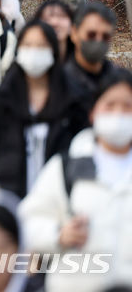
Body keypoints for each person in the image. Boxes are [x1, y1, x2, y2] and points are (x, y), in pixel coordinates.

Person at [19, 69, 132, 292]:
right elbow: (25, 223)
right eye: (110, 105)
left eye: (127, 107)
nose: (118, 114)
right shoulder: (65, 167)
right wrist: (59, 233)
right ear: (93, 113)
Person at [0, 20, 89, 198]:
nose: (34, 52)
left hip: (59, 200)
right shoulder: (1, 101)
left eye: (41, 46)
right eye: (28, 45)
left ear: (53, 50)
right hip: (8, 199)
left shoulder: (73, 100)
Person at [63, 1, 119, 109]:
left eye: (105, 36)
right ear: (74, 33)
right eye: (91, 35)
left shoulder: (120, 82)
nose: (98, 41)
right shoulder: (57, 82)